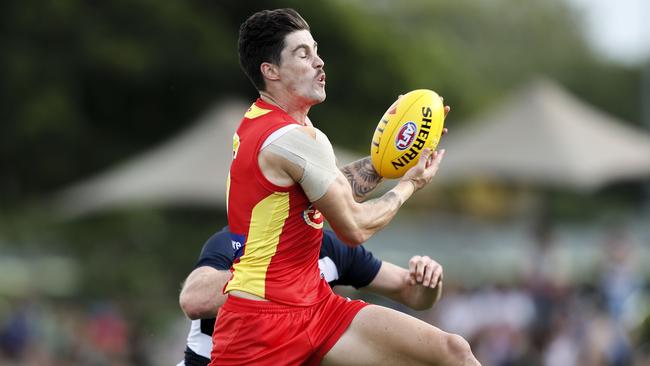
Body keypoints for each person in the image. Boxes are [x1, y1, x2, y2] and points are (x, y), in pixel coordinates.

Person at [213, 8, 480, 365]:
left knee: (453, 352)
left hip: (315, 308)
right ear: (270, 70)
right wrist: (409, 184)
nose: (319, 62)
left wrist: (396, 154)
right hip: (260, 325)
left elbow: (333, 188)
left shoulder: (269, 124)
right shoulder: (290, 138)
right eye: (303, 54)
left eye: (316, 50)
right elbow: (354, 227)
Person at [177, 227, 444, 366]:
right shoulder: (234, 241)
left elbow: (412, 293)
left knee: (453, 351)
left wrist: (429, 279)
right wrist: (275, 274)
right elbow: (194, 299)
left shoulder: (330, 246)